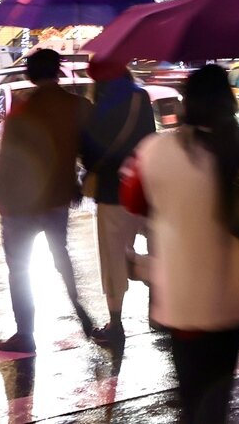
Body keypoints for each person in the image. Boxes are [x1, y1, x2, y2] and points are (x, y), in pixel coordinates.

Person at [122, 64, 239, 422]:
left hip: (182, 295)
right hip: (233, 293)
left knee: (192, 393)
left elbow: (132, 200)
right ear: (229, 101)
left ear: (187, 103)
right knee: (218, 390)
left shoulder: (155, 150)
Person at [0, 48, 96, 353]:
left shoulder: (23, 109)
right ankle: (77, 304)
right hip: (57, 197)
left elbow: (7, 160)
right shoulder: (78, 106)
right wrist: (78, 182)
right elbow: (89, 151)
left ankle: (25, 333)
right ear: (58, 71)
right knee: (60, 254)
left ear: (30, 74)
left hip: (20, 203)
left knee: (20, 268)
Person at [82, 62, 154, 347]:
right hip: (144, 186)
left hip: (112, 192)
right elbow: (150, 138)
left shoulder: (96, 109)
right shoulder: (141, 97)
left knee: (113, 258)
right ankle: (159, 310)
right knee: (158, 246)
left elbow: (88, 153)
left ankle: (116, 322)